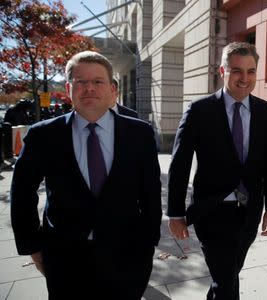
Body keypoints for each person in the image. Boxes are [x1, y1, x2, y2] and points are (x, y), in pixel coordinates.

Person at [10, 51, 162, 300]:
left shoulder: (140, 134)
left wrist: (149, 242)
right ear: (69, 89)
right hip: (65, 260)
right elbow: (22, 192)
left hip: (127, 256)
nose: (89, 88)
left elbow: (151, 193)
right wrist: (33, 246)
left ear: (113, 89)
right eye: (80, 82)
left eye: (98, 81)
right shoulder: (43, 136)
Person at [167, 41, 267, 300]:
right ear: (222, 71)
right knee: (226, 280)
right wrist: (175, 213)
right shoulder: (199, 110)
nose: (245, 78)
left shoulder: (266, 111)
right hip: (211, 211)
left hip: (249, 211)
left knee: (227, 276)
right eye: (237, 71)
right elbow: (180, 163)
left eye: (251, 71)